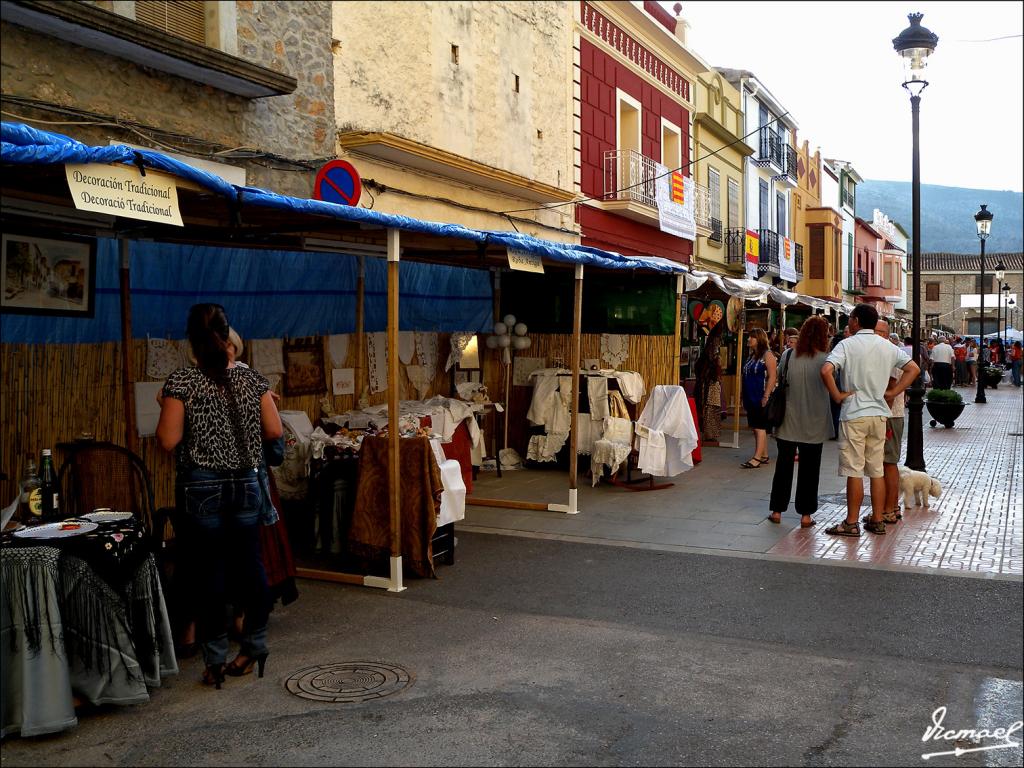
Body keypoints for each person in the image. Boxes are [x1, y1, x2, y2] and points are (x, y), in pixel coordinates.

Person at [157, 304, 283, 688]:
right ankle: (254, 647)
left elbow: (168, 440)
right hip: (246, 484)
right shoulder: (252, 380)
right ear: (229, 336)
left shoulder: (182, 382)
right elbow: (275, 431)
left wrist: (166, 404)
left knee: (208, 573)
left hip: (201, 489)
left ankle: (214, 662)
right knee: (251, 568)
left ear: (191, 342)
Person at [820, 304, 919, 537]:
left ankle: (851, 522)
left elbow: (826, 371)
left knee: (854, 470)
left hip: (854, 413)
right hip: (879, 413)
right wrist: (893, 394)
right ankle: (877, 519)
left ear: (855, 321)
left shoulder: (847, 344)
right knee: (876, 470)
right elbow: (913, 369)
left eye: (850, 318)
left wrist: (837, 395)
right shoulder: (887, 346)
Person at [767, 316, 833, 529]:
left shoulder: (787, 356)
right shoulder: (828, 360)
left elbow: (780, 379)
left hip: (789, 419)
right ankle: (805, 515)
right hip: (815, 421)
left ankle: (777, 510)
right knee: (810, 469)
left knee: (783, 467)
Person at [877, 322, 905, 524]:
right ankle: (892, 506)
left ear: (884, 334)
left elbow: (891, 385)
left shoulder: (889, 354)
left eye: (876, 332)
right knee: (888, 462)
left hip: (890, 415)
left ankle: (889, 508)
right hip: (892, 414)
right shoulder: (890, 352)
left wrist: (884, 415)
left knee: (888, 462)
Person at [740, 328, 777, 468]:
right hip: (750, 396)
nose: (749, 339)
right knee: (755, 426)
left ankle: (756, 457)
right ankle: (764, 454)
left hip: (760, 395)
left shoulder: (767, 355)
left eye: (752, 337)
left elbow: (772, 376)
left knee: (760, 426)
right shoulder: (751, 356)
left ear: (759, 339)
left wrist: (766, 395)